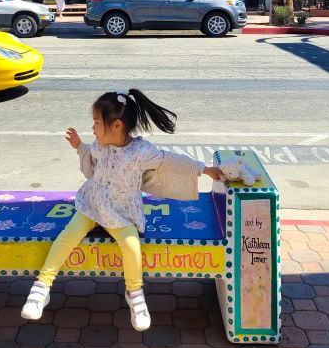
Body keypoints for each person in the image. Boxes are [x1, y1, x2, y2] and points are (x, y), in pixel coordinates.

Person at [21, 89, 224, 329]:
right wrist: (79, 146)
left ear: (116, 125)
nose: (93, 129)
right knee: (67, 236)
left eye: (97, 122)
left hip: (121, 212)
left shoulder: (140, 152)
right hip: (92, 205)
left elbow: (169, 160)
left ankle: (135, 293)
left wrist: (204, 169)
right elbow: (89, 153)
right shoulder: (99, 144)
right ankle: (42, 286)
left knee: (131, 246)